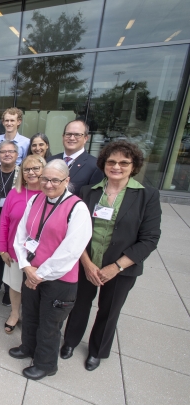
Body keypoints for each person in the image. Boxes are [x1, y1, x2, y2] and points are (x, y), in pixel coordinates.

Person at [61, 141, 161, 371]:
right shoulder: (89, 192)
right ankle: (70, 341)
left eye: (124, 162)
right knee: (79, 305)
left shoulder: (147, 196)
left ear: (133, 166)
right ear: (103, 164)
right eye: (111, 162)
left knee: (109, 309)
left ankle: (97, 350)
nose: (117, 166)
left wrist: (116, 267)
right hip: (87, 261)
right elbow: (74, 230)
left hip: (121, 267)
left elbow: (150, 239)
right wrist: (86, 263)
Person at [9, 160, 92, 381]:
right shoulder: (36, 199)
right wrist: (26, 266)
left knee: (50, 323)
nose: (48, 184)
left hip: (59, 279)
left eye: (55, 180)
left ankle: (46, 364)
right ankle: (28, 347)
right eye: (45, 178)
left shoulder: (77, 208)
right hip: (32, 272)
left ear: (67, 180)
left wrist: (39, 274)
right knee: (30, 314)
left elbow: (71, 251)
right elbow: (21, 236)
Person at [0, 154, 46, 334]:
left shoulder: (49, 194)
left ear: (43, 170)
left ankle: (32, 317)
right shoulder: (15, 193)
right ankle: (15, 313)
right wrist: (2, 248)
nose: (31, 173)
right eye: (27, 169)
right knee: (15, 285)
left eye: (35, 169)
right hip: (15, 250)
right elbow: (4, 222)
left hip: (40, 254)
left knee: (35, 288)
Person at [0, 141, 21, 305]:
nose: (7, 154)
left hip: (15, 223)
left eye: (11, 151)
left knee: (11, 258)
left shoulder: (24, 175)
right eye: (3, 152)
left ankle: (10, 290)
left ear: (17, 154)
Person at [49, 120, 104, 195]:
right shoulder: (50, 160)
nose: (72, 138)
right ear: (63, 136)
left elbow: (93, 197)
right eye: (68, 134)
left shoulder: (95, 166)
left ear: (86, 138)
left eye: (77, 135)